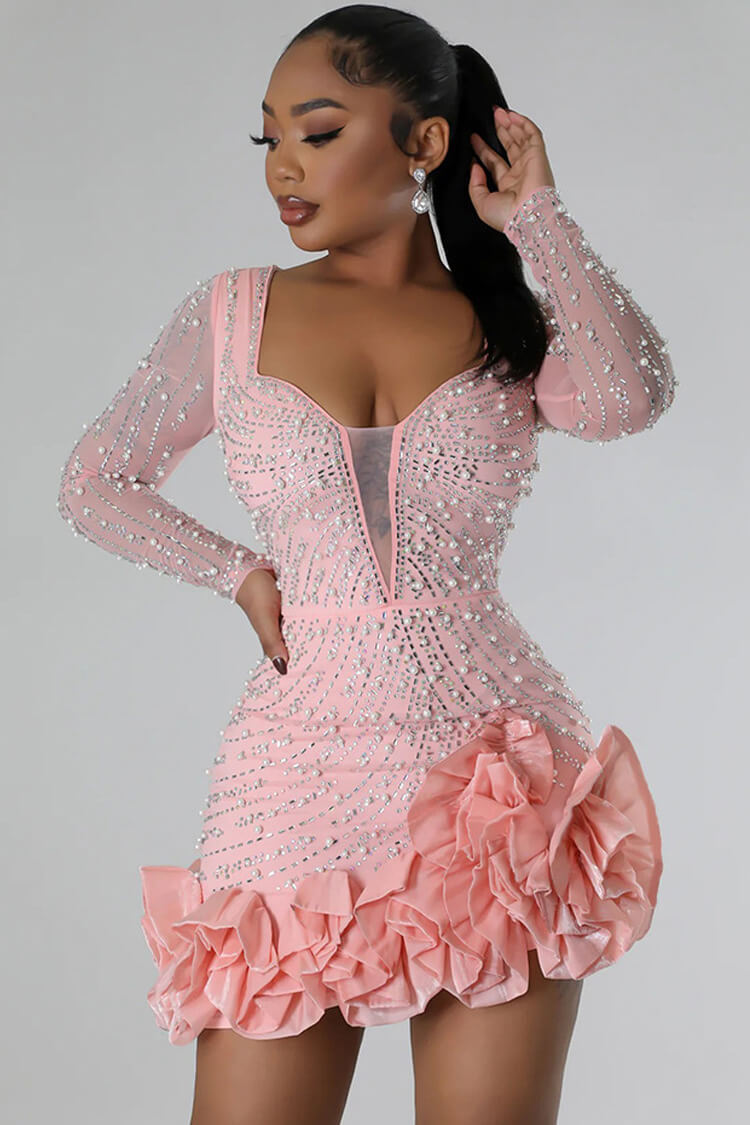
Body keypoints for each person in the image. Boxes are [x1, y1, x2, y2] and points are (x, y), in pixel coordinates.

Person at [56, 6, 676, 1124]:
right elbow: (96, 481)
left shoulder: (503, 320)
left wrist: (539, 219)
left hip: (489, 777)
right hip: (294, 776)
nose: (283, 167)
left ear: (424, 142)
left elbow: (629, 397)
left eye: (319, 131)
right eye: (269, 139)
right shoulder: (233, 312)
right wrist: (242, 575)